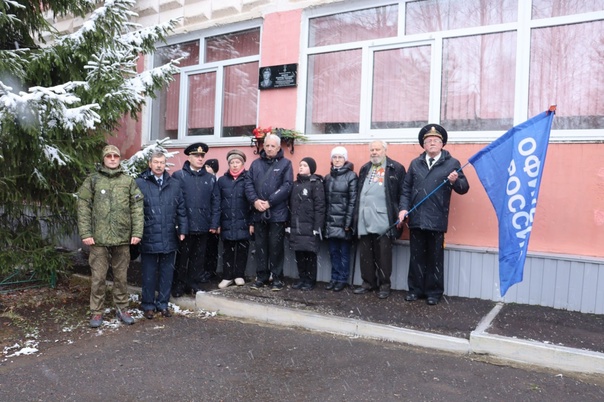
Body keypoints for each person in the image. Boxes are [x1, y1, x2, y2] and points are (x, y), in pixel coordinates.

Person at [398, 124, 470, 306]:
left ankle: (434, 292)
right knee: (416, 257)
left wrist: (455, 181)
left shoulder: (452, 163)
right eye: (428, 141)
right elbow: (406, 189)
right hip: (416, 218)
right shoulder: (415, 163)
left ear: (442, 144)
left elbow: (464, 188)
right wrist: (403, 209)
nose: (431, 143)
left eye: (435, 141)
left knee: (434, 258)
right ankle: (415, 290)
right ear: (423, 145)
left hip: (437, 219)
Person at [77, 144, 144, 328]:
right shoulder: (93, 181)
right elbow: (83, 207)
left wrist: (137, 232)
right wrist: (86, 233)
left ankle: (122, 308)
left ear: (119, 158)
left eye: (116, 155)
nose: (113, 159)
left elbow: (137, 208)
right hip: (98, 239)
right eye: (109, 156)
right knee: (98, 277)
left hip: (122, 238)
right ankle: (96, 311)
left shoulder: (128, 181)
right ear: (104, 159)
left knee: (121, 277)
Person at [135, 151, 187, 319]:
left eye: (162, 162)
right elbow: (135, 211)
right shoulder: (140, 183)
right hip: (148, 234)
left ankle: (163, 304)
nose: (159, 165)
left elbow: (181, 209)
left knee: (167, 273)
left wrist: (183, 230)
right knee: (149, 273)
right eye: (156, 162)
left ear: (166, 165)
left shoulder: (174, 184)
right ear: (150, 164)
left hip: (169, 235)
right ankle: (148, 305)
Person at [353, 140, 406, 299]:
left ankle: (384, 285)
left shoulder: (395, 168)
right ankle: (368, 283)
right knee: (365, 253)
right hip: (364, 216)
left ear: (385, 150)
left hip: (384, 218)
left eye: (377, 149)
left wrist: (400, 212)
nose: (374, 152)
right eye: (372, 150)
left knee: (384, 254)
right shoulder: (365, 168)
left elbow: (403, 192)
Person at [244, 133, 293, 291]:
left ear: (279, 148)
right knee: (260, 246)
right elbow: (248, 184)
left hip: (277, 213)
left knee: (276, 246)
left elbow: (286, 186)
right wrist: (255, 201)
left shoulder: (286, 164)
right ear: (263, 146)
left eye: (273, 146)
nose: (270, 148)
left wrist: (270, 202)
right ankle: (262, 276)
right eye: (267, 145)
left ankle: (277, 277)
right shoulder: (255, 164)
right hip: (258, 212)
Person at [171, 143, 220, 297]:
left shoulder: (210, 178)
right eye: (196, 156)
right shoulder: (179, 176)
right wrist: (179, 224)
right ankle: (178, 285)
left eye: (202, 156)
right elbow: (175, 202)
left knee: (198, 258)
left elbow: (216, 202)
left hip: (203, 225)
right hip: (185, 226)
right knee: (182, 258)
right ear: (189, 157)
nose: (200, 159)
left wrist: (214, 223)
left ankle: (193, 284)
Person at [288, 157, 326, 290]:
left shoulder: (316, 184)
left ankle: (310, 280)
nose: (301, 167)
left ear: (311, 168)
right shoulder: (295, 184)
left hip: (310, 227)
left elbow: (320, 207)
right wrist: (289, 225)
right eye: (300, 165)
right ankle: (302, 278)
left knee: (310, 254)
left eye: (304, 165)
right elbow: (290, 206)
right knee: (299, 254)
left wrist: (317, 227)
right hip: (297, 226)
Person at [217, 150, 252, 289]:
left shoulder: (248, 179)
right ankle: (227, 276)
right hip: (226, 220)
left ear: (243, 164)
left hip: (243, 220)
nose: (235, 165)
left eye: (237, 162)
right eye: (232, 162)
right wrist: (217, 222)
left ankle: (239, 275)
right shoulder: (222, 180)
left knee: (242, 249)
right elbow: (217, 202)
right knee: (228, 250)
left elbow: (251, 202)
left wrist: (251, 222)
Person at [324, 146, 358, 292]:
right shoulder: (328, 177)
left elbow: (352, 201)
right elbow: (325, 201)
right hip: (330, 222)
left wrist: (348, 222)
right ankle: (334, 277)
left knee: (344, 252)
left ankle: (342, 279)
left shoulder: (351, 176)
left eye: (340, 157)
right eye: (335, 157)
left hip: (344, 222)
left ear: (345, 159)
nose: (337, 160)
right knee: (333, 252)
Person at [203, 158, 221, 283]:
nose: (207, 169)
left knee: (212, 248)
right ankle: (204, 270)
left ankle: (211, 270)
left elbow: (218, 204)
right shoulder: (204, 180)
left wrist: (217, 223)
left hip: (213, 220)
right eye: (206, 166)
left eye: (209, 167)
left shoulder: (217, 181)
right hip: (204, 220)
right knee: (204, 248)